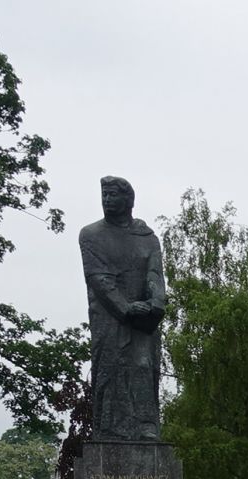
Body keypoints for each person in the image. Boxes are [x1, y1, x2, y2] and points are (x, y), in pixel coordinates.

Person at [79, 176, 167, 441]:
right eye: (104, 195)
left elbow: (155, 274)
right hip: (109, 316)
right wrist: (125, 308)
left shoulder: (147, 237)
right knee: (110, 369)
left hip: (143, 320)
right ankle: (108, 430)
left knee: (143, 365)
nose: (107, 200)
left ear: (128, 199)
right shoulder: (91, 235)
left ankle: (145, 425)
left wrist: (156, 303)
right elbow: (98, 278)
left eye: (112, 195)